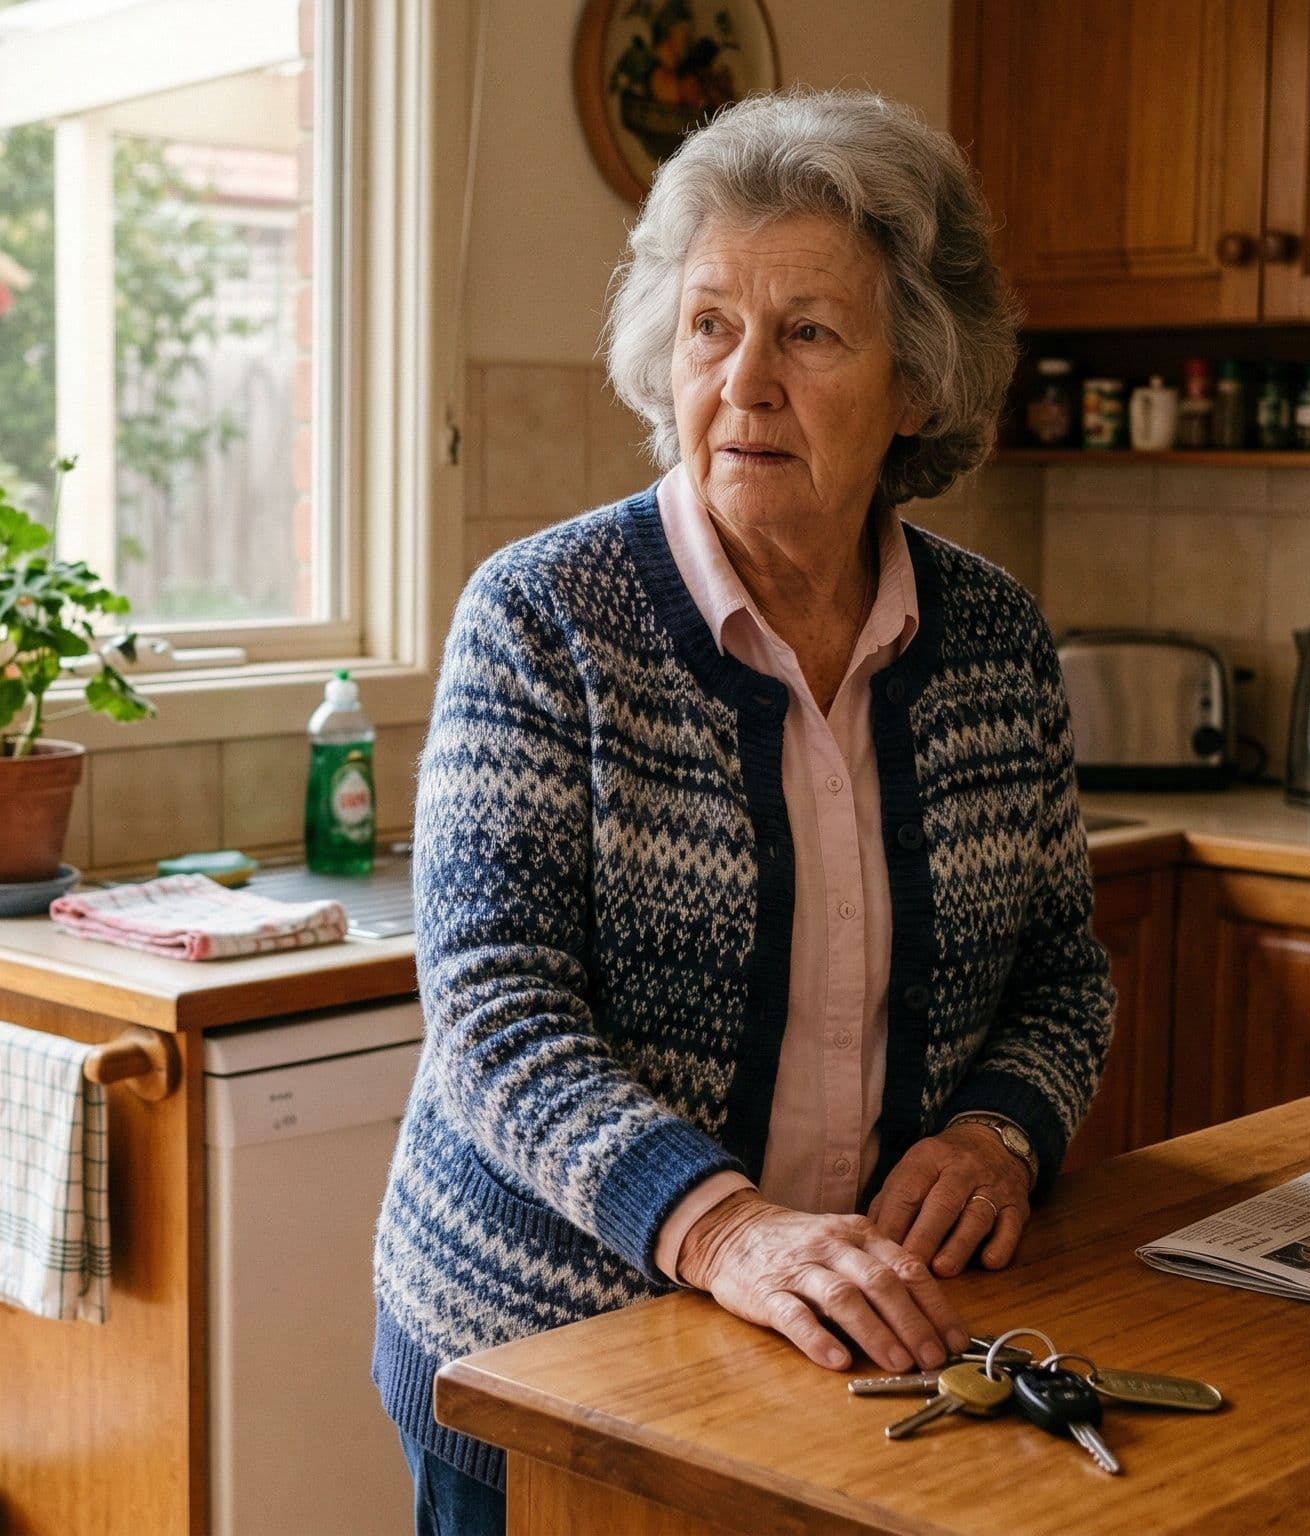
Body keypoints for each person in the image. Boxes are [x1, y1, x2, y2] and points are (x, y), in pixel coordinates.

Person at [372, 89, 1116, 1535]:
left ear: (919, 382)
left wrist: (998, 1135)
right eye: (713, 324)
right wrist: (729, 1231)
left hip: (871, 1353)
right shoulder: (543, 618)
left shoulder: (996, 640)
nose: (748, 380)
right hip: (552, 1359)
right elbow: (493, 1013)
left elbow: (1060, 972)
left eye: (813, 332)